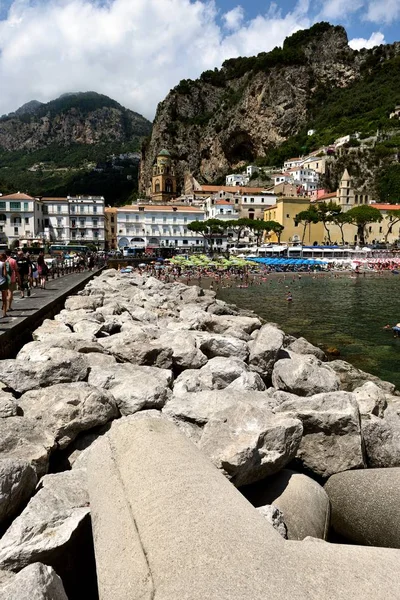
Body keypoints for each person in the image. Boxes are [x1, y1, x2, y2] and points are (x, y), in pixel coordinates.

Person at [0, 253, 9, 318]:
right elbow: (5, 274)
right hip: (3, 282)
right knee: (4, 299)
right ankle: (4, 313)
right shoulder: (3, 264)